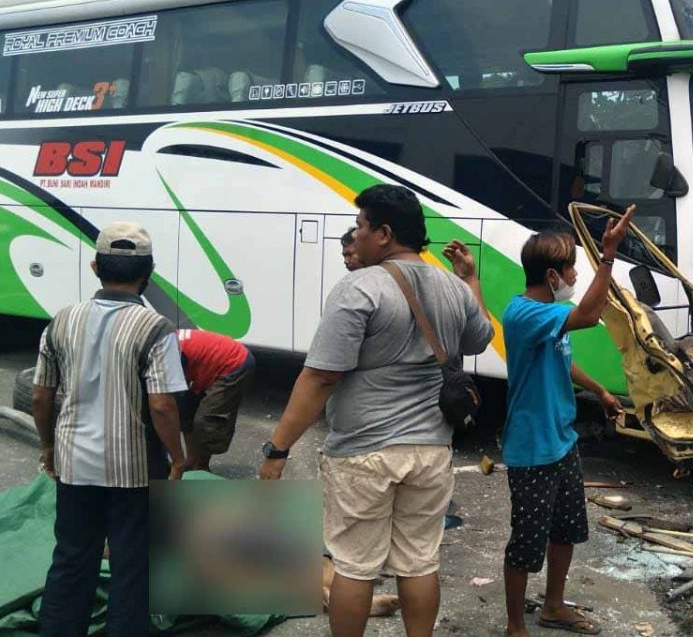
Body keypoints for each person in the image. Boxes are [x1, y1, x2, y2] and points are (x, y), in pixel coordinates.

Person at [258, 184, 494, 637]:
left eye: (361, 227)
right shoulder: (451, 286)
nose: (356, 235)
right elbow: (480, 339)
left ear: (384, 234)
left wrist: (278, 447)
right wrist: (470, 280)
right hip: (431, 450)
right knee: (420, 561)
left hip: (364, 452)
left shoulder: (359, 287)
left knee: (354, 565)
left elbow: (321, 377)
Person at [30, 222, 188, 637]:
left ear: (95, 266)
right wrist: (177, 456)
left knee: (71, 558)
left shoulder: (61, 320)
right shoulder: (155, 328)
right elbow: (162, 404)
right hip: (132, 470)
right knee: (131, 563)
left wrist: (48, 447)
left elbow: (40, 397)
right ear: (149, 272)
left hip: (74, 464)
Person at [501, 206, 634, 637]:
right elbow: (591, 315)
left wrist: (599, 390)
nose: (576, 275)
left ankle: (553, 606)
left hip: (561, 440)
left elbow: (564, 362)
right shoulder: (525, 315)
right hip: (532, 449)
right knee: (526, 544)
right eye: (572, 267)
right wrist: (608, 256)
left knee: (566, 531)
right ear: (552, 276)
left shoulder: (548, 321)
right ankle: (515, 626)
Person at [175, 328, 256, 471]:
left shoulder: (168, 352)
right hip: (210, 364)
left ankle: (201, 466)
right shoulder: (164, 342)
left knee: (207, 420)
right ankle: (192, 460)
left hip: (235, 363)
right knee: (185, 412)